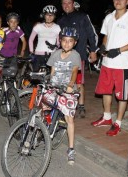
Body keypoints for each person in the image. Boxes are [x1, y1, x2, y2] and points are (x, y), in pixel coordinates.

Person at [91, 0, 128, 136]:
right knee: (106, 90)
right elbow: (106, 36)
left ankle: (118, 123)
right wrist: (104, 47)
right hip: (107, 63)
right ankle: (106, 117)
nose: (118, 1)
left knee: (122, 96)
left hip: (122, 65)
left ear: (127, 2)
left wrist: (119, 50)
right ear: (113, 1)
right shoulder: (109, 17)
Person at [57, 0, 98, 118]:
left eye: (69, 3)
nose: (66, 5)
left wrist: (93, 50)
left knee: (79, 82)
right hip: (63, 56)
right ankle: (64, 104)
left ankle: (81, 105)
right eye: (64, 3)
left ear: (73, 4)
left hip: (79, 55)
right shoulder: (60, 20)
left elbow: (92, 34)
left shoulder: (82, 17)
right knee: (63, 81)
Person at [47, 27, 81, 165]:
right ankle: (44, 128)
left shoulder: (75, 56)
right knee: (43, 104)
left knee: (69, 119)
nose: (67, 43)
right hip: (55, 85)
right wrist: (49, 82)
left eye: (70, 41)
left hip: (68, 89)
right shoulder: (55, 54)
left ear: (75, 43)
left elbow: (74, 71)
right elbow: (52, 71)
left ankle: (71, 149)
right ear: (60, 41)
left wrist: (70, 85)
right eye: (64, 40)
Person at [29, 5, 61, 72]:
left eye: (51, 15)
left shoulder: (57, 27)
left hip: (52, 55)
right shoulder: (38, 26)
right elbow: (31, 39)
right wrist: (32, 52)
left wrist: (56, 47)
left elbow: (58, 42)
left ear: (54, 16)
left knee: (52, 76)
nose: (49, 17)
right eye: (47, 15)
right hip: (38, 54)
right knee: (36, 76)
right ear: (44, 15)